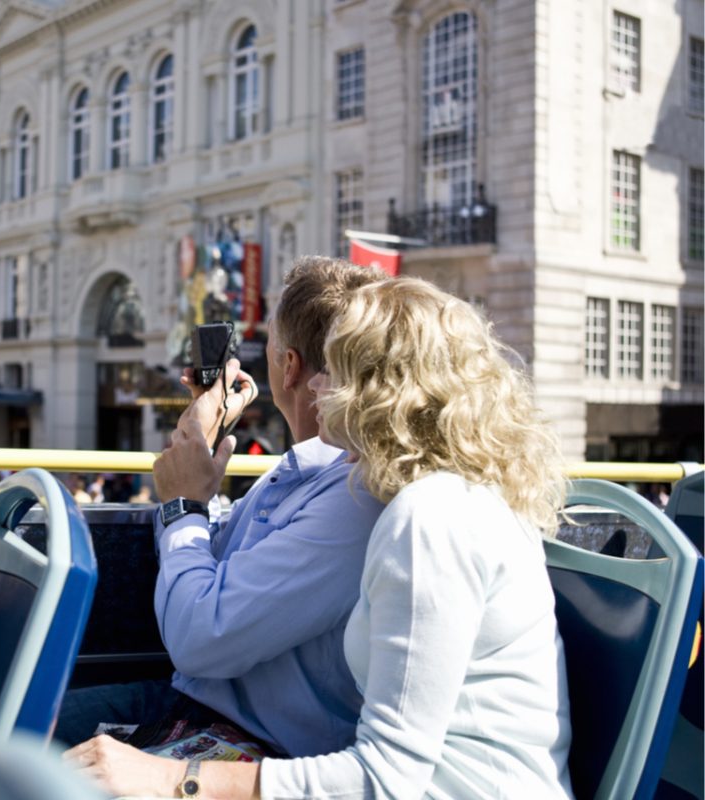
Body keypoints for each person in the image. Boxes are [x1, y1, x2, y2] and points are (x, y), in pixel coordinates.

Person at [68, 277, 574, 798]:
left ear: (382, 391)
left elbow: (384, 779)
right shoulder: (438, 497)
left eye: (333, 368)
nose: (312, 385)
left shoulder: (429, 518)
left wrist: (175, 778)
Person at [55, 257, 386, 759]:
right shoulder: (298, 470)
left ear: (288, 366)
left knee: (4, 745)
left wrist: (184, 504)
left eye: (270, 344)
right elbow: (211, 567)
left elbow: (198, 638)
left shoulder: (350, 497)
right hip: (195, 707)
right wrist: (200, 439)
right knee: (6, 726)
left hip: (254, 742)